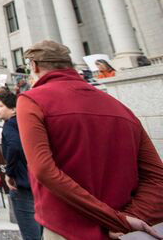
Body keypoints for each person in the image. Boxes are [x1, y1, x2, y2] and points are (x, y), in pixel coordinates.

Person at [17, 40, 163, 239]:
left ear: (34, 66)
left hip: (66, 228)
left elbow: (43, 170)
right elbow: (157, 178)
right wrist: (129, 217)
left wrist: (116, 220)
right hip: (121, 230)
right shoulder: (120, 107)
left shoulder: (32, 100)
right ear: (69, 64)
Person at [0, 91, 41, 240]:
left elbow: (14, 146)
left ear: (13, 109)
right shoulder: (24, 123)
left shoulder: (9, 125)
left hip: (21, 182)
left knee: (29, 231)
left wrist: (9, 172)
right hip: (34, 180)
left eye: (0, 106)